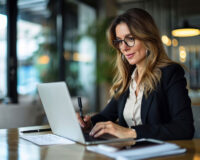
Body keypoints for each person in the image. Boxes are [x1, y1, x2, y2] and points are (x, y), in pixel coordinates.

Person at [77, 8, 194, 140]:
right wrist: (88, 123)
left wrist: (130, 132)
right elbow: (105, 116)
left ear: (148, 39)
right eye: (119, 41)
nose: (124, 47)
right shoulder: (127, 80)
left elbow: (184, 128)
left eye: (130, 38)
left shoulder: (170, 73)